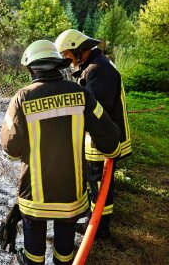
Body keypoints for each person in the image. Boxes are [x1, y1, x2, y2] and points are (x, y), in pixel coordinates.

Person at [0, 40, 121, 265]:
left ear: (30, 68)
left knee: (33, 256)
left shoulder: (21, 98)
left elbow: (11, 147)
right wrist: (112, 151)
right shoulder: (81, 94)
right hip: (70, 196)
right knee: (65, 256)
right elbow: (108, 135)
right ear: (58, 65)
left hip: (34, 197)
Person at [55, 29, 132, 239]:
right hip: (99, 137)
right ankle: (94, 219)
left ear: (78, 50)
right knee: (95, 181)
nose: (64, 59)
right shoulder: (93, 66)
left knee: (99, 183)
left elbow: (94, 111)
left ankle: (99, 228)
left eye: (65, 54)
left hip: (103, 139)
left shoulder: (99, 69)